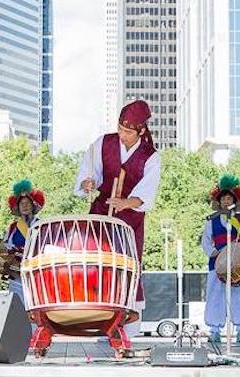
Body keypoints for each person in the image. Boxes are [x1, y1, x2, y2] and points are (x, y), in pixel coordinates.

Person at [74, 99, 162, 348]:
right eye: (121, 129)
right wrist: (87, 183)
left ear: (141, 131)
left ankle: (125, 328)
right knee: (97, 264)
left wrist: (126, 203)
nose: (122, 135)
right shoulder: (104, 143)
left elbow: (147, 194)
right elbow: (89, 173)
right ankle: (98, 321)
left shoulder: (151, 157)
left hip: (129, 221)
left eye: (128, 132)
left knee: (126, 267)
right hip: (102, 214)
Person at [201, 175, 240, 344]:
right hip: (217, 264)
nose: (226, 201)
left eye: (229, 198)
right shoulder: (212, 220)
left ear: (235, 200)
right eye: (224, 198)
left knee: (237, 296)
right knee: (215, 296)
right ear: (219, 201)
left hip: (236, 263)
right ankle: (215, 330)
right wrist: (214, 253)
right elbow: (205, 241)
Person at [0, 179, 44, 304]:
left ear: (33, 205)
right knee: (17, 310)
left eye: (27, 203)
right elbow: (4, 248)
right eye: (21, 204)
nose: (24, 206)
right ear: (18, 208)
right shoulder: (13, 228)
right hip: (16, 278)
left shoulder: (40, 225)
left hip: (35, 276)